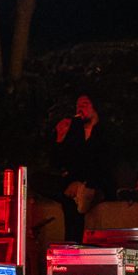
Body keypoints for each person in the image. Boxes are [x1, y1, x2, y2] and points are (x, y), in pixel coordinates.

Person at [48, 94, 114, 243]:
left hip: (95, 180)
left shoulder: (105, 132)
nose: (80, 108)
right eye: (78, 106)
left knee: (70, 201)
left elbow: (103, 163)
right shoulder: (75, 132)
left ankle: (73, 244)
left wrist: (81, 183)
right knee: (41, 180)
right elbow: (58, 163)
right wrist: (60, 137)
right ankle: (73, 244)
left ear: (95, 107)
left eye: (84, 104)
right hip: (75, 184)